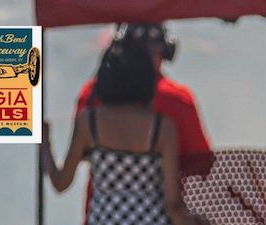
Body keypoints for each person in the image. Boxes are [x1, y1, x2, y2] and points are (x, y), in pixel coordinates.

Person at [42, 42, 196, 225]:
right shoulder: (161, 128)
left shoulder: (90, 122)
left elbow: (61, 181)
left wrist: (44, 144)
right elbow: (172, 202)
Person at [75, 23, 212, 177]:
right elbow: (202, 164)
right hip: (163, 200)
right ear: (166, 51)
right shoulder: (179, 101)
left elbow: (78, 155)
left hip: (101, 201)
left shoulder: (92, 96)